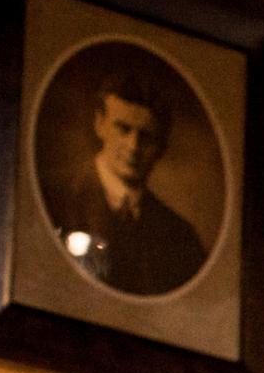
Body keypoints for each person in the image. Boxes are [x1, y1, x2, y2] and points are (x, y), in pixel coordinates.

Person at [44, 53, 211, 296]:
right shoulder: (52, 197)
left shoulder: (181, 239)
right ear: (100, 124)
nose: (133, 146)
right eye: (123, 129)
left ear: (161, 146)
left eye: (146, 137)